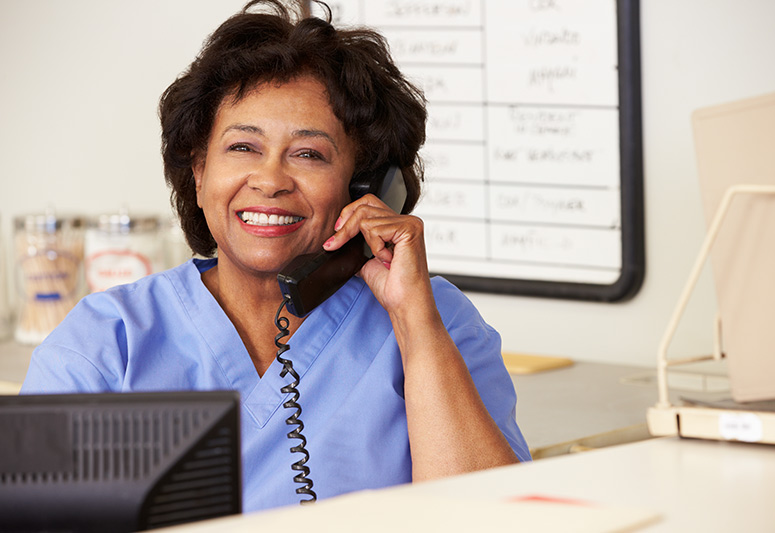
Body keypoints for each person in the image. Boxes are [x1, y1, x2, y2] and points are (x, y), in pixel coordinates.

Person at [21, 0, 531, 512]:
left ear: (364, 188)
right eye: (242, 147)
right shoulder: (106, 344)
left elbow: (497, 519)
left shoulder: (436, 321)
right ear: (198, 173)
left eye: (309, 154)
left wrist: (415, 326)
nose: (269, 180)